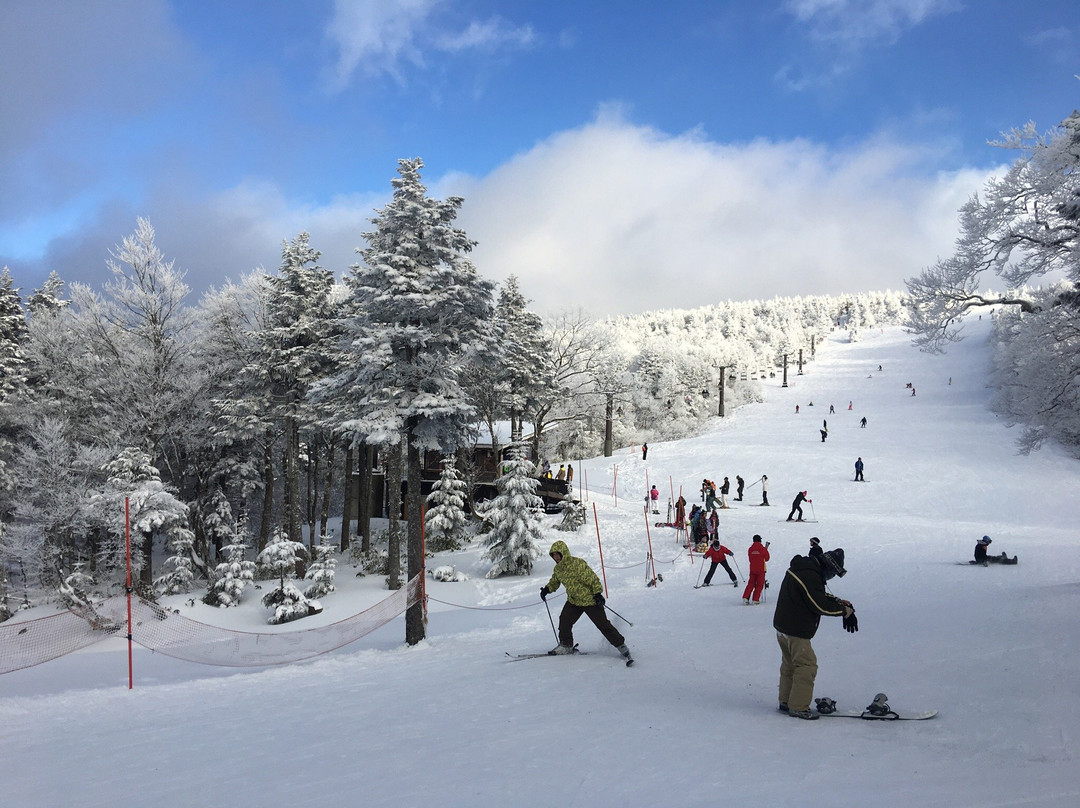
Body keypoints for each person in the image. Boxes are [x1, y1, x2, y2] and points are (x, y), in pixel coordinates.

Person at [773, 547, 856, 719]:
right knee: (806, 665)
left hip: (783, 627)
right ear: (828, 566)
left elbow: (813, 594)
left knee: (790, 665)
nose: (831, 577)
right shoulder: (810, 575)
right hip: (796, 630)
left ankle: (786, 701)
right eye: (833, 573)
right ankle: (798, 706)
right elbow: (818, 605)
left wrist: (839, 602)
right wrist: (844, 611)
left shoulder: (804, 568)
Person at [541, 540, 632, 662]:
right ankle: (566, 645)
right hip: (574, 601)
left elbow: (592, 578)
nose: (556, 557)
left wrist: (597, 593)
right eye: (553, 555)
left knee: (603, 625)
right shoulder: (558, 569)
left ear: (564, 553)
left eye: (558, 554)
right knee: (564, 621)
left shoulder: (577, 563)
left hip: (590, 601)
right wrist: (547, 589)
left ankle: (621, 646)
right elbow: (555, 582)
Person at [742, 535, 771, 604]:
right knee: (759, 584)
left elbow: (750, 558)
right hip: (761, 569)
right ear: (760, 540)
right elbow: (767, 558)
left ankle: (746, 597)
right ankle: (755, 599)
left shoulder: (750, 549)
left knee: (751, 583)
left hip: (752, 569)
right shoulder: (763, 549)